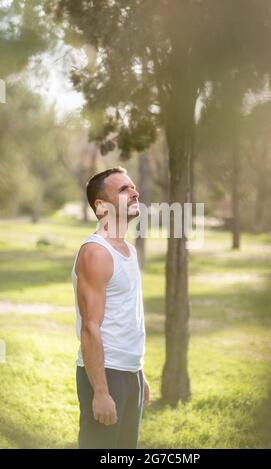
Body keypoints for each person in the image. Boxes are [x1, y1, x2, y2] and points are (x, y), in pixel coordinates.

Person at [71, 166, 150, 449]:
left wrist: (138, 373)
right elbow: (90, 327)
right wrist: (101, 391)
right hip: (105, 374)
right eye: (123, 190)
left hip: (129, 372)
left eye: (132, 187)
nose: (134, 193)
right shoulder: (96, 253)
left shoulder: (127, 249)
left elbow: (125, 316)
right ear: (101, 206)